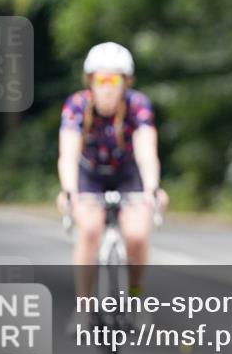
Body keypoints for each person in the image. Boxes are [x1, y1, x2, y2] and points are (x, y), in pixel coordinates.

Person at [56, 42, 168, 315]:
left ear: (125, 82)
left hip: (128, 174)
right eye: (101, 80)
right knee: (90, 230)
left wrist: (152, 188)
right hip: (89, 175)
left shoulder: (137, 104)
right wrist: (69, 192)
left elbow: (146, 152)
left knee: (137, 235)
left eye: (114, 80)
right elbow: (68, 154)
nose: (107, 88)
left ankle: (136, 296)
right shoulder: (76, 105)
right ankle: (83, 307)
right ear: (90, 81)